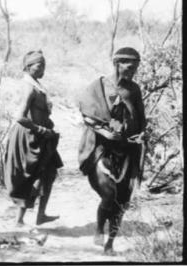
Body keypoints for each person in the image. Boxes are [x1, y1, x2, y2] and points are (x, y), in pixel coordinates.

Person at [78, 47, 146, 254]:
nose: (132, 71)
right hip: (101, 147)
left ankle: (110, 244)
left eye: (135, 67)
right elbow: (87, 115)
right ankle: (99, 228)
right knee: (108, 195)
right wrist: (105, 133)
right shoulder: (99, 86)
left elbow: (140, 119)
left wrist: (140, 134)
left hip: (126, 149)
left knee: (122, 200)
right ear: (117, 64)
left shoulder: (133, 90)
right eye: (129, 66)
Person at [3, 50, 63, 227]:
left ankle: (41, 215)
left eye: (44, 64)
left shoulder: (36, 85)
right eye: (39, 65)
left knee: (48, 172)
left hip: (41, 137)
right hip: (30, 137)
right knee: (30, 176)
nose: (43, 68)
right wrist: (41, 129)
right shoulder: (29, 87)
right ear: (28, 67)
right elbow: (20, 117)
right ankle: (19, 220)